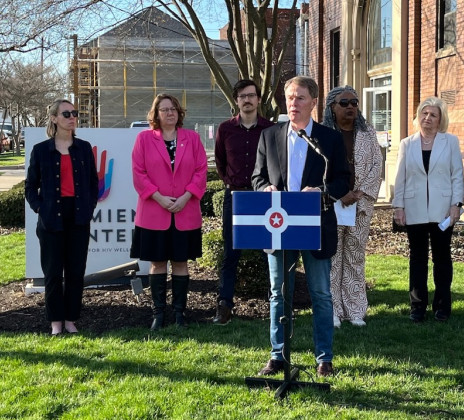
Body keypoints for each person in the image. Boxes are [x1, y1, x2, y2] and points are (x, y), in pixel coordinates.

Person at [252, 76, 350, 377]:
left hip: (315, 225)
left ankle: (324, 358)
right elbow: (256, 177)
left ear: (314, 102)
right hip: (279, 225)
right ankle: (278, 355)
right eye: (290, 98)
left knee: (321, 294)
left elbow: (344, 180)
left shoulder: (328, 140)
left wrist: (322, 192)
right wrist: (265, 188)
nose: (293, 104)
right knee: (279, 293)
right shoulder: (270, 136)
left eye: (300, 98)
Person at [131, 93, 208, 330]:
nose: (170, 112)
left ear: (179, 112)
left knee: (181, 262)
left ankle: (179, 314)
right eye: (164, 109)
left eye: (173, 108)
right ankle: (159, 314)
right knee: (157, 263)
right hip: (154, 212)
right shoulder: (144, 139)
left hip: (185, 212)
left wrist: (186, 197)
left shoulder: (192, 138)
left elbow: (201, 171)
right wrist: (159, 198)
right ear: (156, 114)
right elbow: (139, 173)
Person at [25, 99, 99, 335]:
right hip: (51, 218)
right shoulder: (41, 151)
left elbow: (92, 184)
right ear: (54, 118)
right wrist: (40, 208)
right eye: (66, 113)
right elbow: (30, 186)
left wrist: (88, 208)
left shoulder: (84, 148)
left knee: (76, 272)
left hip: (78, 216)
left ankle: (71, 319)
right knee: (53, 273)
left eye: (74, 113)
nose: (72, 117)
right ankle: (56, 321)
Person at [392, 97, 464, 323]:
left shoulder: (450, 142)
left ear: (441, 119)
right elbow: (400, 177)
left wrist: (456, 204)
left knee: (442, 259)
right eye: (424, 114)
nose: (428, 118)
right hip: (414, 209)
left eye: (433, 115)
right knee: (418, 259)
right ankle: (418, 306)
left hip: (442, 210)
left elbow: (457, 176)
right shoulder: (407, 143)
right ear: (418, 117)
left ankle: (442, 307)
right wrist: (398, 207)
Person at [213, 79, 274, 325]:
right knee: (231, 253)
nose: (247, 100)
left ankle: (276, 303)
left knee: (269, 251)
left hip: (264, 197)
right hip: (236, 197)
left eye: (251, 95)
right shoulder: (225, 129)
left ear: (258, 99)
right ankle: (224, 306)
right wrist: (231, 182)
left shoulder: (270, 129)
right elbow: (220, 162)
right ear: (236, 100)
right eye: (242, 96)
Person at [321, 86, 382, 327]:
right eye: (344, 103)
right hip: (331, 204)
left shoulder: (368, 134)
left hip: (360, 204)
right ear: (331, 107)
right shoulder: (322, 135)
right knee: (333, 258)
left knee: (355, 257)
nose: (350, 107)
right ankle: (333, 310)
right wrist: (340, 193)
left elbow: (377, 165)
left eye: (354, 103)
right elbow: (318, 169)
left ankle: (356, 311)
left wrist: (359, 193)